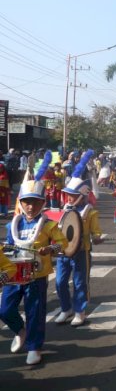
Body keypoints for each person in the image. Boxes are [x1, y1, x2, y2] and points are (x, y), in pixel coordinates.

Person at [0, 151, 68, 365]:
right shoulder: (14, 224)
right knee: (5, 309)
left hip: (36, 275)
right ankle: (20, 330)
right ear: (21, 202)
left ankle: (34, 346)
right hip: (12, 273)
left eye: (35, 202)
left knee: (35, 311)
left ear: (42, 203)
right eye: (27, 202)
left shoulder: (49, 225)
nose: (30, 206)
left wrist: (52, 248)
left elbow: (63, 243)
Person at [55, 149, 103, 327]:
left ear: (82, 196)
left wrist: (97, 238)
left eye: (73, 196)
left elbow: (96, 232)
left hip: (81, 252)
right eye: (69, 195)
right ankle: (65, 308)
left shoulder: (90, 212)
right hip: (63, 253)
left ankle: (80, 312)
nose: (70, 198)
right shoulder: (63, 209)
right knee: (60, 282)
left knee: (80, 282)